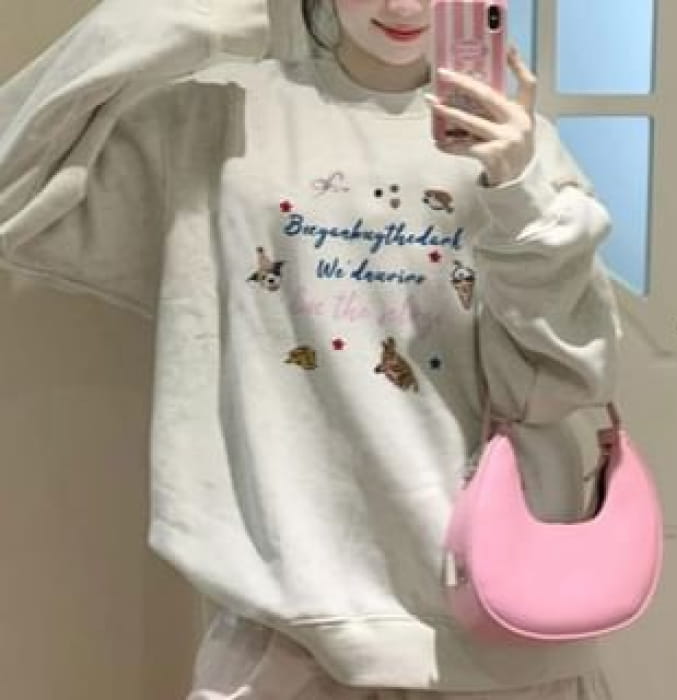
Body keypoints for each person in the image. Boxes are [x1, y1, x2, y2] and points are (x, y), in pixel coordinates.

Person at [0, 0, 621, 697]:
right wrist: (190, 16)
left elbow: (558, 382)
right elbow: (14, 181)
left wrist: (521, 194)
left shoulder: (519, 145)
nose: (404, 7)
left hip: (495, 625)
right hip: (286, 632)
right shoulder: (219, 114)